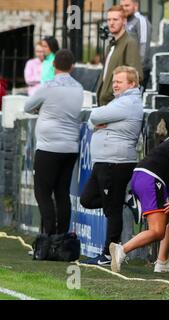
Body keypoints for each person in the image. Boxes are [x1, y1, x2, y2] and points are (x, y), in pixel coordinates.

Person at [109, 120, 169, 273]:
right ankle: (122, 249)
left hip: (142, 176)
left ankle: (162, 261)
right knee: (158, 231)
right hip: (151, 179)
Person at [80, 66, 143, 266]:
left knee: (111, 210)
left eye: (119, 82)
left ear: (132, 84)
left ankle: (109, 254)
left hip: (116, 161)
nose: (114, 84)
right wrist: (95, 120)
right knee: (87, 199)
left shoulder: (129, 102)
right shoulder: (119, 101)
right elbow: (92, 123)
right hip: (104, 161)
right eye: (114, 81)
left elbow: (95, 116)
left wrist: (97, 119)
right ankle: (125, 198)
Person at [24, 49, 83, 235]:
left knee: (43, 193)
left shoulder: (48, 87)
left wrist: (40, 109)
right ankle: (61, 236)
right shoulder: (78, 88)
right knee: (62, 193)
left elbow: (27, 106)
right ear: (72, 66)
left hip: (49, 146)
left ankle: (48, 236)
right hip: (70, 147)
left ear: (54, 65)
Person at [96, 5, 143, 107]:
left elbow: (136, 76)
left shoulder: (130, 43)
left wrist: (117, 98)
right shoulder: (110, 46)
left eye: (115, 19)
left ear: (124, 21)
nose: (111, 23)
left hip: (116, 104)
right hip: (104, 104)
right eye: (109, 20)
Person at [120, 0, 152, 89]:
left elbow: (144, 46)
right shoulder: (125, 21)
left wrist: (137, 71)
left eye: (127, 5)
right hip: (125, 71)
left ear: (136, 6)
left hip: (138, 71)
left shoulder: (141, 20)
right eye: (121, 6)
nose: (123, 8)